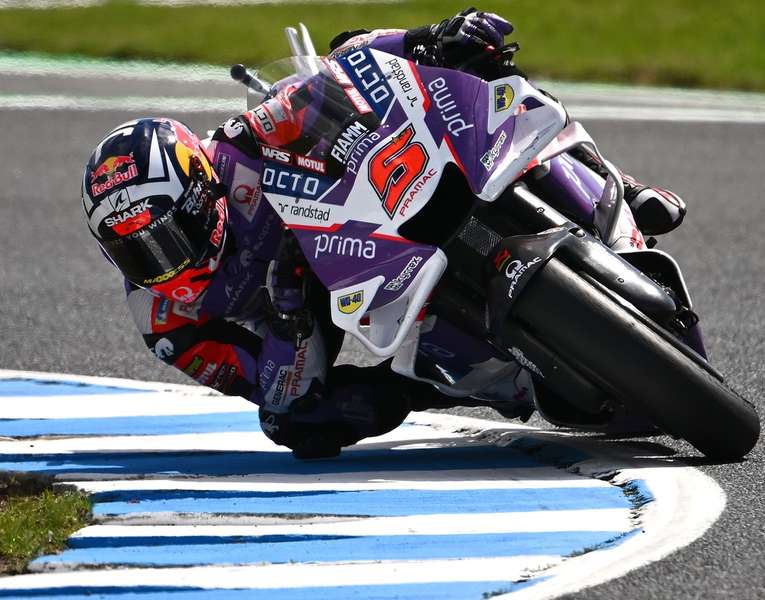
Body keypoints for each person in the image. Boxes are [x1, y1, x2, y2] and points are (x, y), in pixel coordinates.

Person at [82, 9, 686, 459]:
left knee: (478, 69)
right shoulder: (165, 320)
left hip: (354, 218)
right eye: (135, 251)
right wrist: (290, 315)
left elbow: (341, 68)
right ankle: (489, 380)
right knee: (295, 424)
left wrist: (428, 40)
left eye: (164, 236)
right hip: (311, 308)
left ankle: (620, 185)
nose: (161, 263)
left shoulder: (236, 151)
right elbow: (269, 388)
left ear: (201, 193)